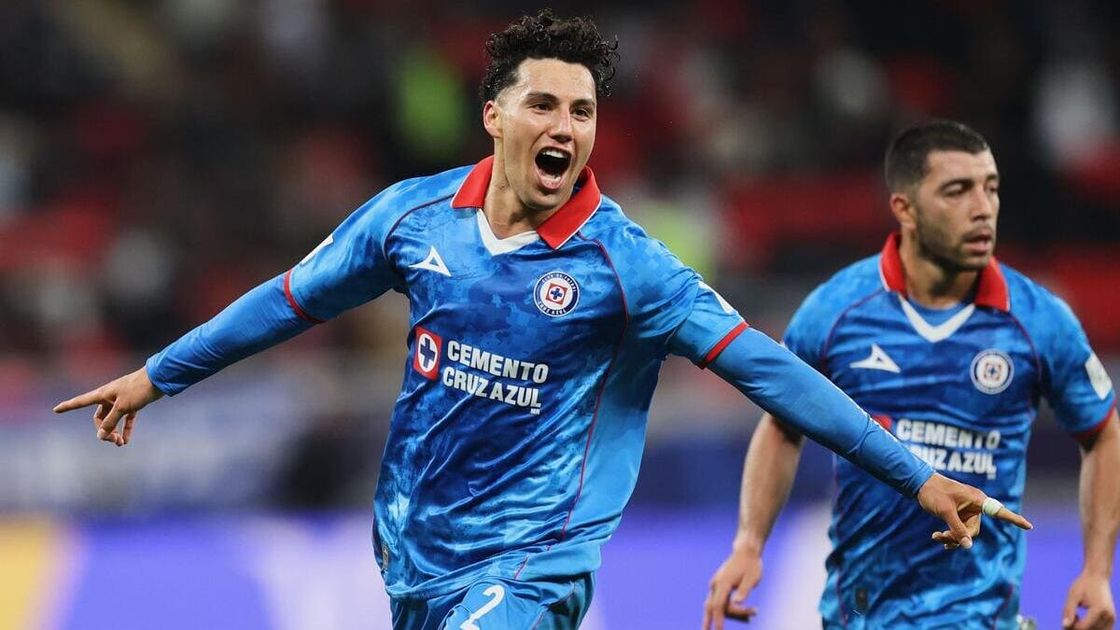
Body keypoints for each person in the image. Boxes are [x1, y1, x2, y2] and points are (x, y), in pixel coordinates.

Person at [55, 14, 1028, 630]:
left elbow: (769, 372)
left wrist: (913, 475)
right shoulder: (412, 219)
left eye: (584, 111)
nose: (566, 126)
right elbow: (287, 301)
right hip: (413, 552)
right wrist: (158, 375)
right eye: (545, 105)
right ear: (494, 115)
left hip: (531, 563)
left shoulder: (628, 266)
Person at [703, 120, 1119, 630]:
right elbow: (780, 427)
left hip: (979, 614)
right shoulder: (836, 310)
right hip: (859, 611)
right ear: (905, 208)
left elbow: (1103, 433)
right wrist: (749, 544)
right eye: (957, 190)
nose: (983, 207)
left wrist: (1097, 570)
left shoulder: (1040, 320)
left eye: (990, 188)